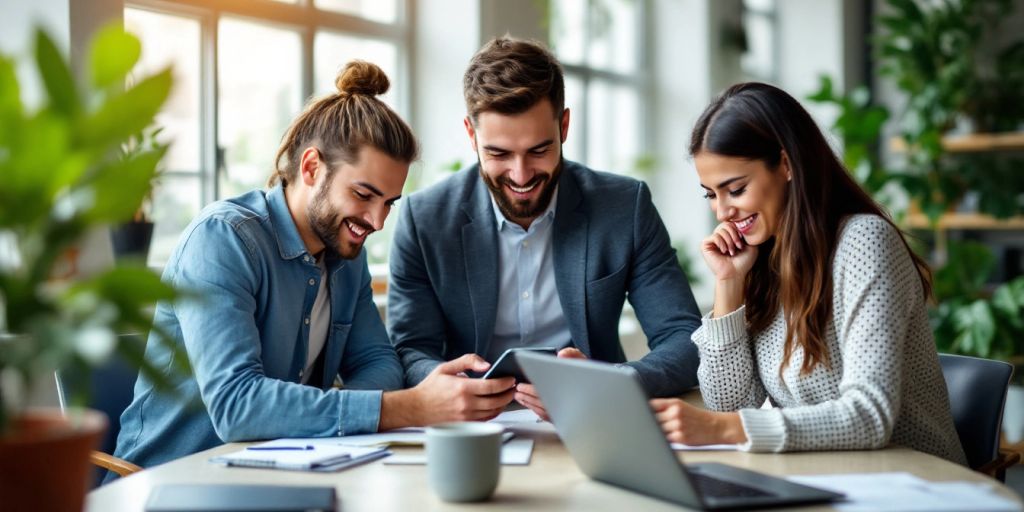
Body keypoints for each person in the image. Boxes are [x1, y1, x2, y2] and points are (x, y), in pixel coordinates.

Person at [113, 61, 508, 471]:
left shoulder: (345, 256)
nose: (376, 222)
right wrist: (407, 408)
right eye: (363, 194)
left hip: (279, 475)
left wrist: (362, 415)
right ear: (311, 167)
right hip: (168, 482)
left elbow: (380, 363)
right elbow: (237, 406)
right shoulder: (223, 240)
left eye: (389, 203)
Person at [387, 37, 702, 421]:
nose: (521, 176)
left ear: (564, 125)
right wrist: (443, 386)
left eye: (538, 150)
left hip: (594, 418)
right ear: (471, 135)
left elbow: (685, 338)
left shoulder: (624, 206)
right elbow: (408, 349)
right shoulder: (424, 219)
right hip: (470, 426)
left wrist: (611, 381)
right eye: (499, 153)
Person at [651, 82, 967, 464]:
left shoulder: (864, 243)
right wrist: (729, 282)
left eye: (735, 189)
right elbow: (729, 403)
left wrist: (721, 429)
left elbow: (870, 417)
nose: (722, 212)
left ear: (786, 165)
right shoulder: (763, 260)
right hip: (824, 476)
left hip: (915, 481)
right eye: (710, 194)